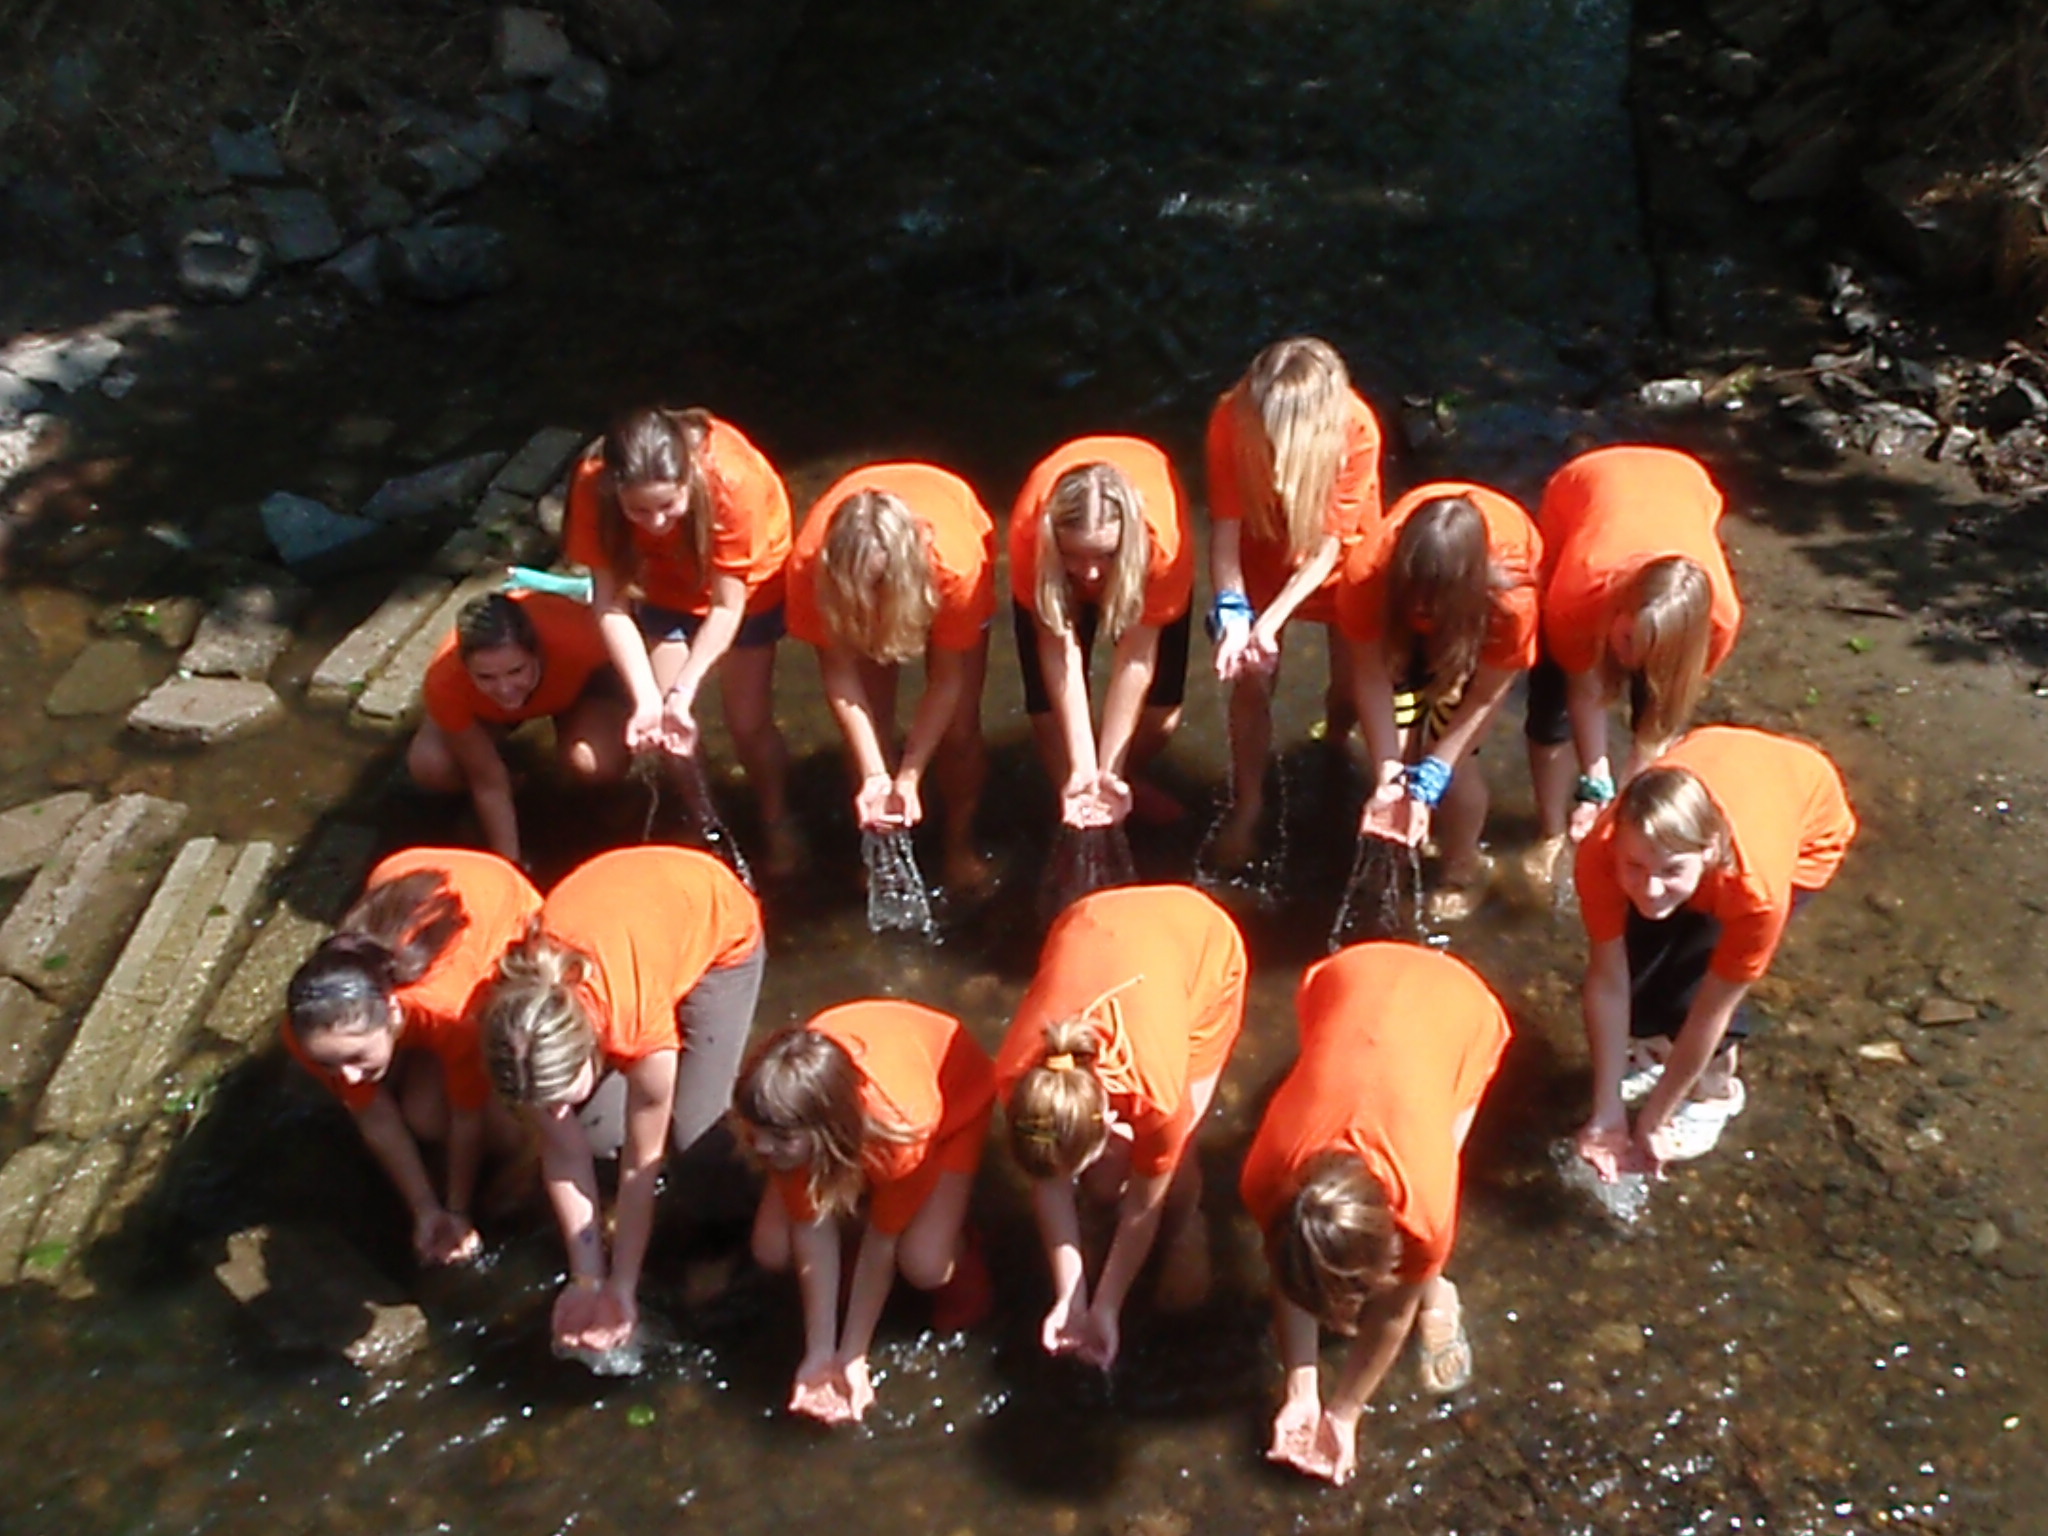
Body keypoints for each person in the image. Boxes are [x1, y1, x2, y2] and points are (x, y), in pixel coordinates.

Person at [1240, 941, 1510, 1487]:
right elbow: (1289, 1278)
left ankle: (1440, 1288)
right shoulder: (1266, 1179)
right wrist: (1301, 1390)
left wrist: (1346, 1412)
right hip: (1347, 979)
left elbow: (1390, 1315)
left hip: (1459, 1009)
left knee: (1443, 1159)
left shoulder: (1423, 1211)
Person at [480, 846, 765, 1356]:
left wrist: (624, 1282)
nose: (554, 1112)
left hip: (714, 925)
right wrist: (589, 1279)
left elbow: (642, 1163)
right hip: (629, 921)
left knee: (698, 1144)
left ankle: (742, 1245)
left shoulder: (636, 1029)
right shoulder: (514, 1030)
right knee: (595, 1137)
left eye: (563, 1095)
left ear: (594, 1045)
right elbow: (563, 1152)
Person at [1572, 725, 1855, 1177]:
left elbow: (1711, 1010)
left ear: (1708, 852)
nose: (1650, 889)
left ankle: (1716, 1092)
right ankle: (1657, 1054)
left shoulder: (1754, 892)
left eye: (1671, 871)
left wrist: (1654, 1119)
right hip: (1720, 753)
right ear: (1617, 847)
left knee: (1687, 993)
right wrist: (1605, 1112)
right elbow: (1608, 979)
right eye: (1635, 867)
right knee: (1640, 978)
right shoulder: (1599, 852)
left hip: (1808, 824)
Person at [995, 884, 1246, 1370]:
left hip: (1199, 946)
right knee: (1102, 1179)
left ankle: (1187, 1224)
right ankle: (1093, 1217)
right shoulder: (1017, 1078)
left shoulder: (1155, 1095)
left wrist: (1107, 1304)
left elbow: (1141, 1210)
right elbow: (1047, 1180)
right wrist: (1071, 1295)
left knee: (1177, 1154)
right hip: (1089, 921)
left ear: (1110, 1119)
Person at [735, 1000, 997, 1425]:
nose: (761, 1148)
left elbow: (882, 1244)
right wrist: (821, 1353)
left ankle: (964, 1242)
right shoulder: (781, 1110)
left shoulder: (902, 1132)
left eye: (778, 1139)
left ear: (825, 1130)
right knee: (771, 1248)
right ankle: (857, 1203)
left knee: (925, 1262)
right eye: (756, 1133)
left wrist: (853, 1356)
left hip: (956, 1101)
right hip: (856, 1097)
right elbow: (809, 1227)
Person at [562, 406, 799, 874]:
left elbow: (727, 607)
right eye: (638, 510)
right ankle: (705, 821)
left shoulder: (731, 481)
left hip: (748, 584)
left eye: (668, 506)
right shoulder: (592, 482)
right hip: (665, 578)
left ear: (689, 479)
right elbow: (609, 603)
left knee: (747, 722)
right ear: (614, 489)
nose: (655, 521)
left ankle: (777, 815)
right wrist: (650, 699)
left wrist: (686, 688)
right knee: (669, 729)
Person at [284, 847, 540, 1265]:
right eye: (330, 1064)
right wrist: (424, 1209)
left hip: (503, 903)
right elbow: (373, 1115)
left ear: (392, 1011)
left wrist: (457, 1209)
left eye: (357, 1057)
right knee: (422, 1116)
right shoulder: (309, 1027)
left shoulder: (447, 1012)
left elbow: (468, 1118)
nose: (347, 1077)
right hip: (406, 871)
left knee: (502, 1133)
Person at [1523, 445, 1742, 889]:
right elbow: (1583, 690)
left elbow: (1659, 724)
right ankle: (1550, 832)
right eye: (1625, 641)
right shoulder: (1578, 593)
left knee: (1653, 707)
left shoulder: (1720, 622)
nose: (1631, 662)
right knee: (1550, 712)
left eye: (1652, 653)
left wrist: (1624, 805)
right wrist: (1596, 784)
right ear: (1615, 612)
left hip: (1684, 485)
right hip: (1585, 486)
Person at [1206, 337, 1385, 866]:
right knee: (1249, 679)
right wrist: (1236, 613)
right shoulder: (1230, 417)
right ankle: (1248, 805)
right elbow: (1224, 531)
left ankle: (1335, 740)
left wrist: (1273, 620)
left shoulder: (1358, 429)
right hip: (1263, 543)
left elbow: (1329, 548)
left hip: (1340, 557)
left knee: (1352, 684)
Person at [1334, 482, 1542, 922]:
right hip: (1396, 619)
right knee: (1399, 746)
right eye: (1416, 596)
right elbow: (1370, 677)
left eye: (1433, 600)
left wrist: (1436, 772)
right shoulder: (1366, 575)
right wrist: (1389, 772)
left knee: (1455, 768)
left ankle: (1462, 868)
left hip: (1470, 626)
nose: (1423, 607)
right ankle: (1402, 843)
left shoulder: (1511, 602)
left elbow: (1485, 695)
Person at [786, 462, 996, 889]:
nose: (870, 600)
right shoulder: (810, 568)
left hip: (947, 516)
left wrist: (911, 773)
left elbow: (947, 681)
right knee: (870, 735)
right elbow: (841, 677)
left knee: (959, 733)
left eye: (878, 585)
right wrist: (877, 775)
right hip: (846, 577)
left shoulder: (956, 568)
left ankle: (959, 842)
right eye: (860, 587)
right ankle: (880, 855)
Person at [1009, 436, 1194, 828]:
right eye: (1074, 555)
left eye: (1105, 555)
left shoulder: (1164, 549)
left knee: (1161, 719)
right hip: (1048, 566)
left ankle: (1120, 782)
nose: (1090, 574)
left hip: (1145, 560)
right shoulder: (1030, 537)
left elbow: (1135, 660)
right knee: (1050, 722)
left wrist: (1109, 769)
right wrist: (1081, 765)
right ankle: (1076, 804)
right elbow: (1058, 649)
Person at [407, 590, 629, 868]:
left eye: (516, 671)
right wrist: (510, 865)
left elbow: (634, 660)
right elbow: (487, 780)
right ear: (465, 668)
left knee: (594, 763)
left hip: (576, 687)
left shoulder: (579, 637)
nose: (504, 688)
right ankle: (516, 782)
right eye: (486, 676)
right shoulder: (445, 683)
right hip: (490, 711)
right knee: (431, 764)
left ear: (538, 653)